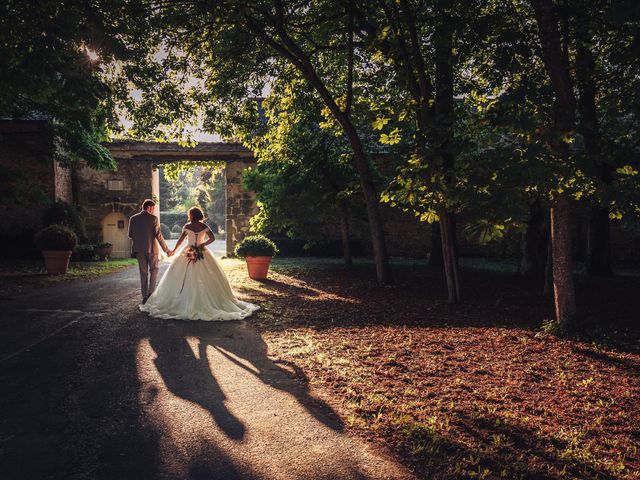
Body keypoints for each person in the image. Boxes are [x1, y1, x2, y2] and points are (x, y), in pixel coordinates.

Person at [140, 207, 258, 321]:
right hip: (203, 252)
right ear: (199, 215)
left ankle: (184, 299)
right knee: (209, 276)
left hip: (187, 251)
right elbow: (212, 238)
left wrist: (174, 251)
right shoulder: (204, 226)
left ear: (191, 216)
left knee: (180, 276)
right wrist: (203, 244)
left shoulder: (187, 226)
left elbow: (181, 241)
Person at [128, 199, 173, 304]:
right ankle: (151, 294)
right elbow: (158, 236)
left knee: (143, 273)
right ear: (149, 207)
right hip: (152, 249)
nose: (153, 210)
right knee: (154, 270)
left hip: (139, 250)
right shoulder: (153, 219)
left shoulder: (133, 219)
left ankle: (144, 296)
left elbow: (130, 235)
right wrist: (166, 250)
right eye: (153, 208)